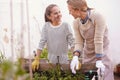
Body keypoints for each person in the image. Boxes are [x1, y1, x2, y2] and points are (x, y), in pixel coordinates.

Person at [66, 0, 114, 80]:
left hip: (102, 53)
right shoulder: (76, 23)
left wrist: (99, 59)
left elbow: (98, 39)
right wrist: (75, 56)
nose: (69, 13)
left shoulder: (97, 17)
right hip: (88, 55)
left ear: (77, 9)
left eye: (70, 10)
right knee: (91, 77)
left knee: (105, 76)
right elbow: (79, 42)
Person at [32, 4, 74, 71]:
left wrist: (75, 58)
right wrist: (37, 59)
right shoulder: (46, 27)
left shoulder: (66, 26)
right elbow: (41, 43)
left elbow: (72, 43)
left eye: (59, 12)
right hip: (51, 62)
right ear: (49, 16)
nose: (59, 14)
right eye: (55, 13)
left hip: (64, 61)